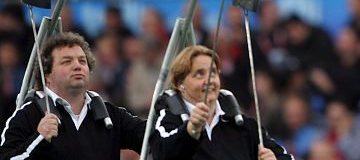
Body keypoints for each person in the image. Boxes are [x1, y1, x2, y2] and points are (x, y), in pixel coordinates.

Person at [0, 32, 146, 158]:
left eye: (82, 61)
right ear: (47, 76)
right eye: (66, 61)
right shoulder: (28, 115)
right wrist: (39, 139)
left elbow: (154, 139)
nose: (77, 66)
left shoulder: (111, 115)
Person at [150, 45, 291, 159]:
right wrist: (190, 129)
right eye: (199, 74)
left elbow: (285, 157)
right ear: (180, 83)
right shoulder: (169, 119)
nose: (209, 80)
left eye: (213, 72)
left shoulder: (243, 124)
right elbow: (161, 152)